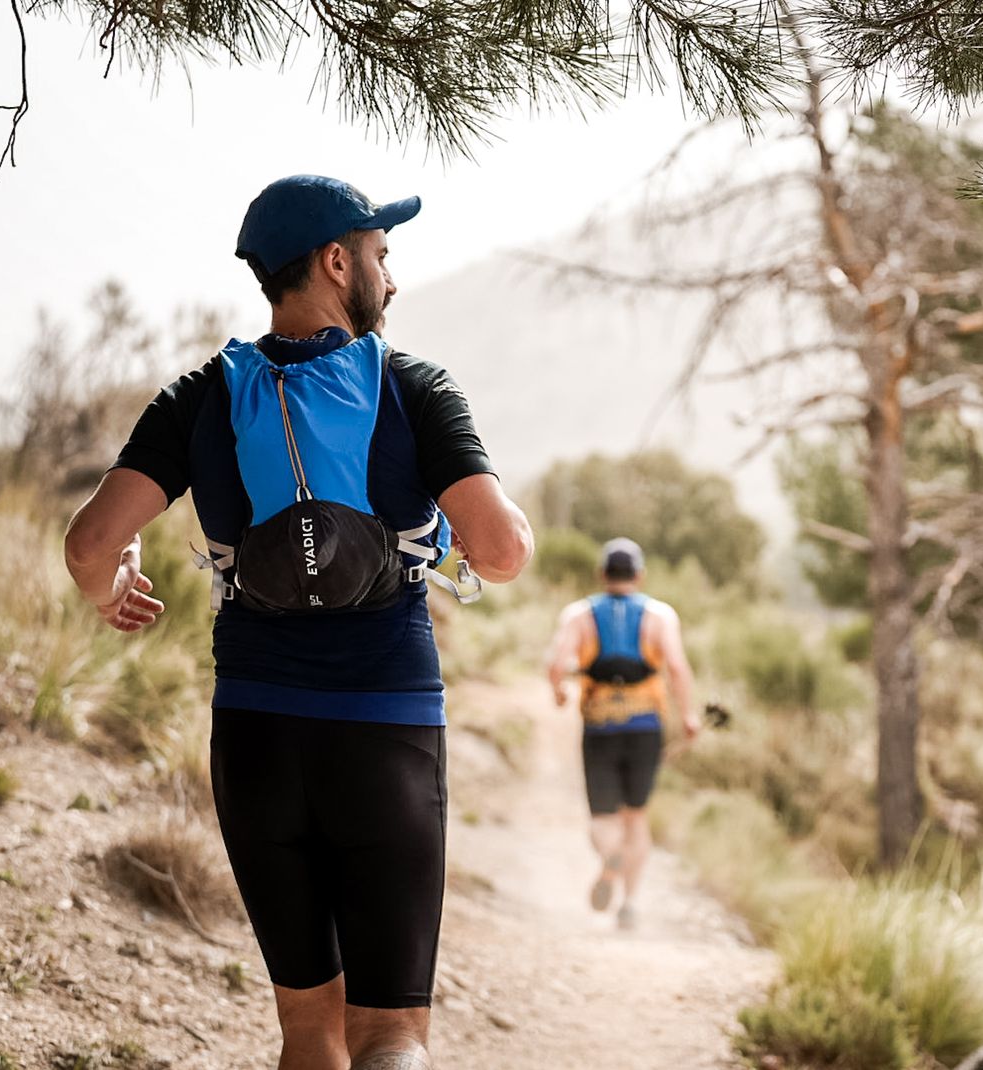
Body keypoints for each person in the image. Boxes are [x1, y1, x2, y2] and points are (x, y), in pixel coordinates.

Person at [63, 175, 532, 1070]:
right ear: (334, 261)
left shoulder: (202, 394)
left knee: (309, 1033)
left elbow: (91, 541)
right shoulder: (413, 387)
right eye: (381, 257)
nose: (389, 280)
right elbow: (501, 551)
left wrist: (108, 588)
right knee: (390, 1032)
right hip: (385, 732)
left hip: (255, 731)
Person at [544, 537, 698, 930]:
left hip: (600, 725)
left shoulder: (578, 614)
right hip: (646, 726)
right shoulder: (660, 616)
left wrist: (560, 693)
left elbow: (556, 663)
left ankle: (610, 856)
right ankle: (628, 904)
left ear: (602, 574)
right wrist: (690, 716)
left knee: (602, 817)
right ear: (640, 575)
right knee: (637, 817)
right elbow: (677, 669)